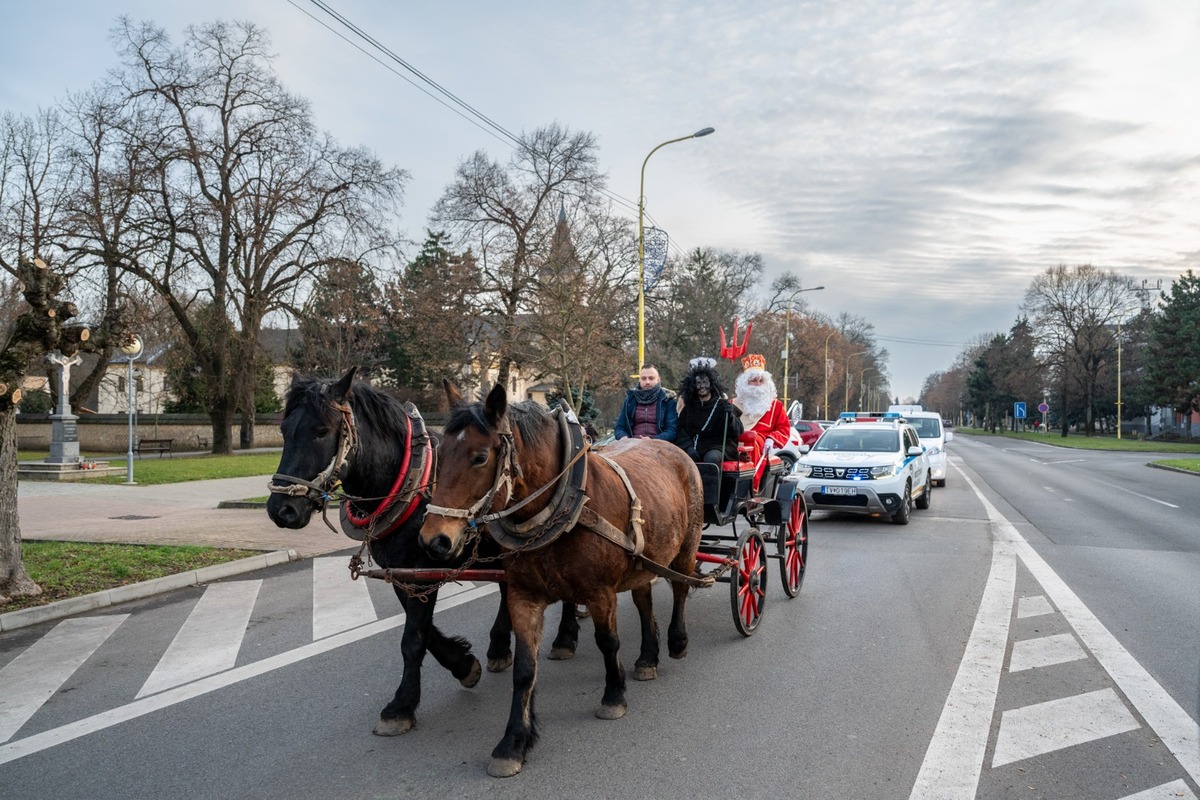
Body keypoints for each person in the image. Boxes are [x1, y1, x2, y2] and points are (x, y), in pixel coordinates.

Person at [675, 357, 742, 465]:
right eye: (698, 383)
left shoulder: (722, 405)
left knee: (711, 458)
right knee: (686, 458)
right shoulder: (689, 408)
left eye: (705, 382)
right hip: (695, 446)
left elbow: (737, 431)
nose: (702, 386)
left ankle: (712, 483)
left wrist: (730, 417)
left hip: (718, 447)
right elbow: (682, 433)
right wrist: (688, 448)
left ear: (711, 383)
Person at [731, 353, 792, 465]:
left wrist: (771, 439)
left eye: (761, 381)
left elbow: (784, 429)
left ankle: (752, 482)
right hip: (734, 442)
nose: (758, 384)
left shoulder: (775, 405)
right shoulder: (732, 404)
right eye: (754, 380)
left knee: (752, 443)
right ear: (745, 383)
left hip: (758, 446)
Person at [614, 364, 678, 441]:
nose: (647, 382)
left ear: (658, 379)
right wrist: (623, 437)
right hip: (631, 443)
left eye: (651, 378)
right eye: (643, 378)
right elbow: (619, 427)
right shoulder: (630, 400)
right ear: (639, 380)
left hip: (659, 445)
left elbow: (672, 430)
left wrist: (653, 439)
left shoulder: (667, 400)